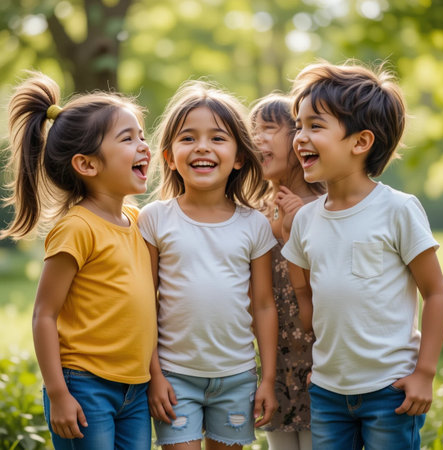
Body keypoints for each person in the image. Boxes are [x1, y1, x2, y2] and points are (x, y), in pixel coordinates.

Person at [281, 60, 443, 450]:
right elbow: (306, 294)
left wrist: (424, 372)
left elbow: (436, 293)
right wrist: (323, 358)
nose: (300, 137)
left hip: (390, 389)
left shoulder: (398, 209)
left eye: (315, 126)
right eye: (299, 125)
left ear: (360, 142)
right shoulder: (305, 220)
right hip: (327, 391)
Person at [1, 71, 157, 449]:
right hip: (85, 387)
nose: (143, 145)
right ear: (87, 165)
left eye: (141, 135)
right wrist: (58, 393)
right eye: (127, 138)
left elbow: (148, 306)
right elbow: (44, 315)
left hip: (135, 389)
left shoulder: (139, 221)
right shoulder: (77, 228)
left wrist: (154, 375)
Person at [138, 80, 278, 450]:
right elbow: (144, 302)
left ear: (239, 157)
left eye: (217, 138)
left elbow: (263, 304)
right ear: (168, 155)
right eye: (188, 138)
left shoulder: (254, 225)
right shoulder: (154, 219)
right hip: (174, 376)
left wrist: (267, 379)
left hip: (237, 378)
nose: (202, 147)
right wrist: (154, 374)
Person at [250, 94, 325, 450]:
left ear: (298, 138)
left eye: (267, 128)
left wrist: (302, 220)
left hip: (321, 363)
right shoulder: (255, 215)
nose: (257, 139)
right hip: (276, 366)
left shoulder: (327, 206)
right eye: (252, 131)